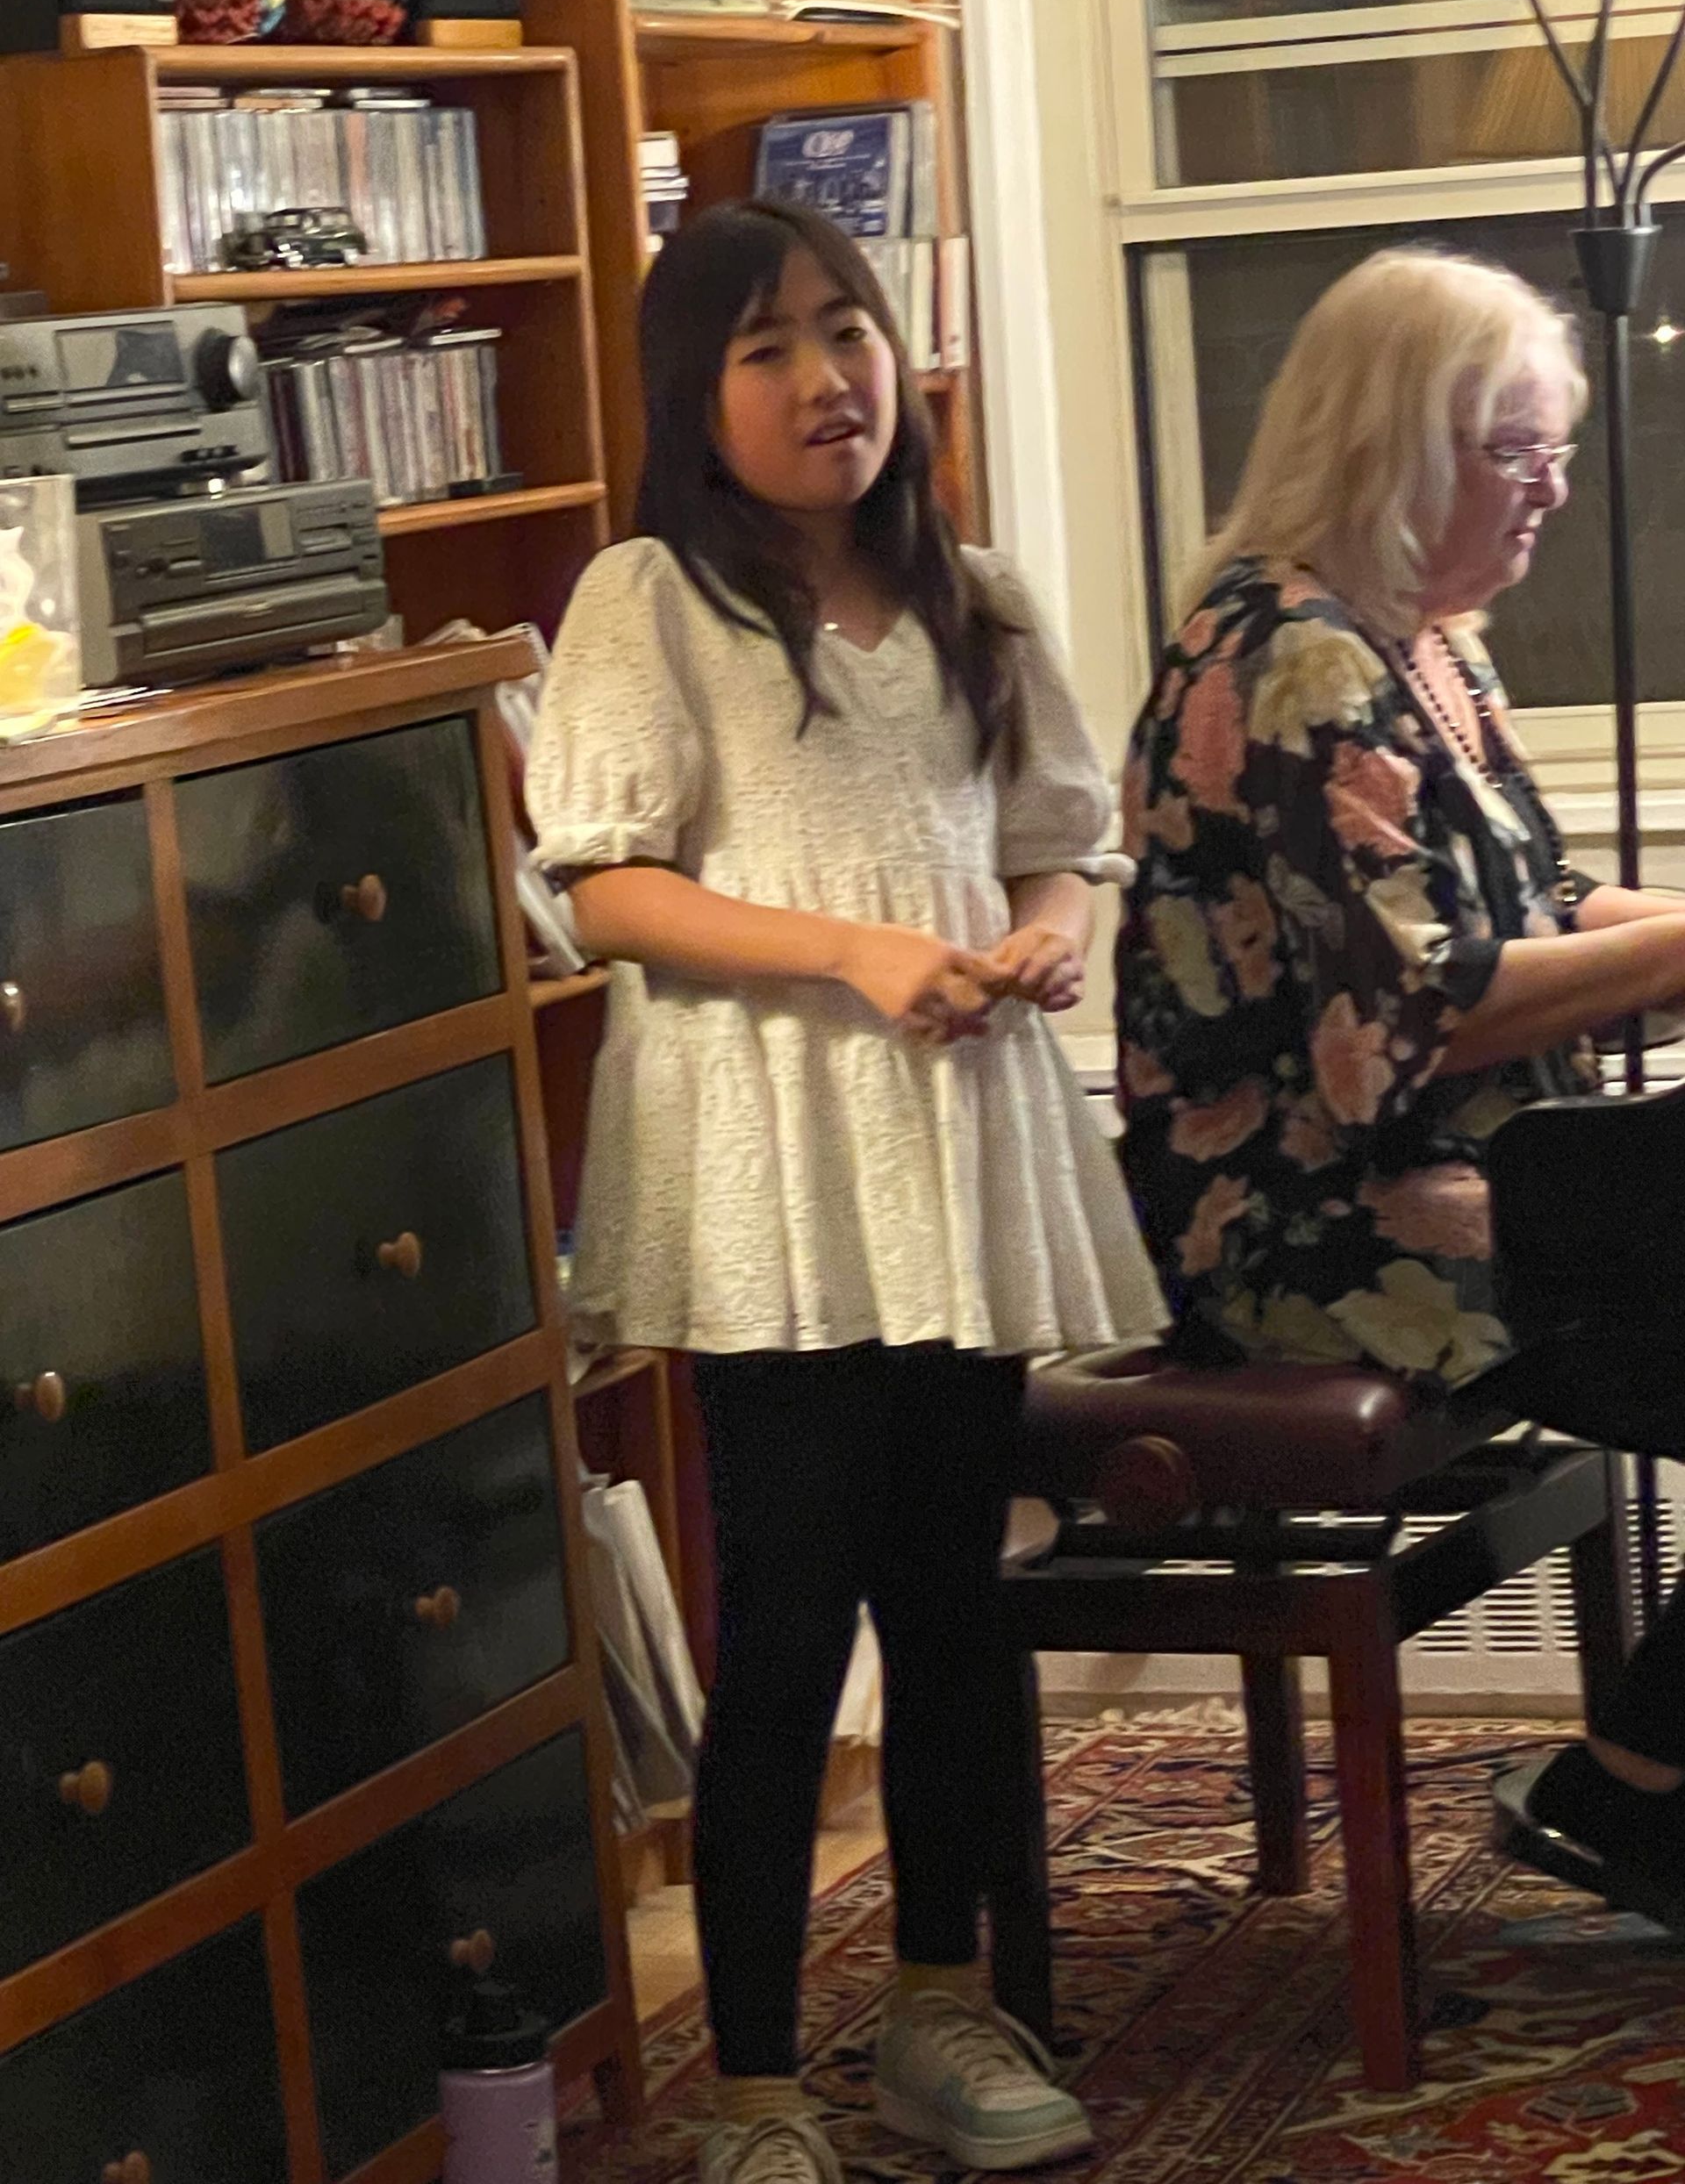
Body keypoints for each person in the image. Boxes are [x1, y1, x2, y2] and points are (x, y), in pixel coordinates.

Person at [527, 198, 1166, 2184]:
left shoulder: (975, 596)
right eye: (768, 348)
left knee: (953, 1606)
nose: (828, 379)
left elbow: (1068, 836)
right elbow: (607, 883)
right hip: (770, 1166)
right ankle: (749, 2082)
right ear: (690, 398)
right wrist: (853, 952)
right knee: (790, 1616)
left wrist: (1041, 933)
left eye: (850, 329)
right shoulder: (653, 597)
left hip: (955, 1148)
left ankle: (938, 2007)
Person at [1117, 247, 1685, 1944]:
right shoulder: (1293, 660)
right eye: (1515, 450)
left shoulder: (1426, 643)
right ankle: (1637, 1786)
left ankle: (1644, 1771)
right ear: (1394, 441)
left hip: (1480, 1177)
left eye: (1557, 449)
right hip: (1310, 1226)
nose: (1552, 491)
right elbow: (1418, 1027)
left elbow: (1547, 902)